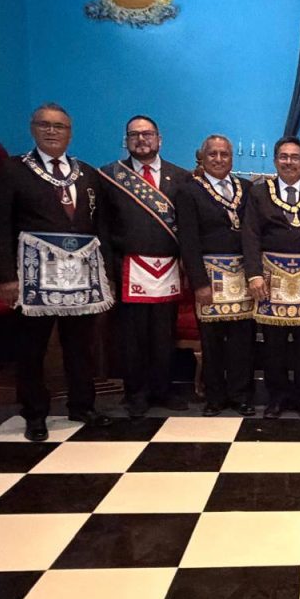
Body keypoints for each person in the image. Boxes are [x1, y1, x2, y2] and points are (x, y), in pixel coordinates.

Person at [0, 102, 114, 441]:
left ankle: (82, 405)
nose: (52, 131)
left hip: (82, 275)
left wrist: (107, 273)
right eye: (44, 124)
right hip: (34, 277)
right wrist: (5, 276)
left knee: (80, 346)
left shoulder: (87, 174)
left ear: (70, 133)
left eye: (59, 126)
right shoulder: (13, 170)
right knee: (32, 347)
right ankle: (34, 413)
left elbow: (100, 226)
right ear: (33, 129)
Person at [100, 115, 191, 418]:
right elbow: (103, 228)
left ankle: (162, 389)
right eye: (134, 135)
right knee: (133, 337)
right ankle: (136, 393)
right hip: (130, 267)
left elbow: (187, 227)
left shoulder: (181, 177)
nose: (141, 139)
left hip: (168, 268)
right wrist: (108, 272)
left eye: (147, 134)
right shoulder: (110, 177)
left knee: (164, 333)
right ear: (126, 140)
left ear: (159, 139)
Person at [242, 136, 300, 419]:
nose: (289, 162)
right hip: (271, 279)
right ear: (275, 161)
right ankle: (277, 397)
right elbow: (250, 235)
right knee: (274, 344)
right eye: (283, 156)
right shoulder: (259, 193)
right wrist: (254, 274)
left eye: (295, 157)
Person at [177, 135, 255, 416]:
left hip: (242, 276)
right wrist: (199, 283)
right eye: (213, 154)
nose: (219, 159)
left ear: (232, 158)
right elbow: (188, 241)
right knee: (212, 341)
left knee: (242, 340)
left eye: (224, 154)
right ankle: (215, 397)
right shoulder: (189, 191)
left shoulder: (246, 188)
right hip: (209, 277)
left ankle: (241, 395)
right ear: (203, 157)